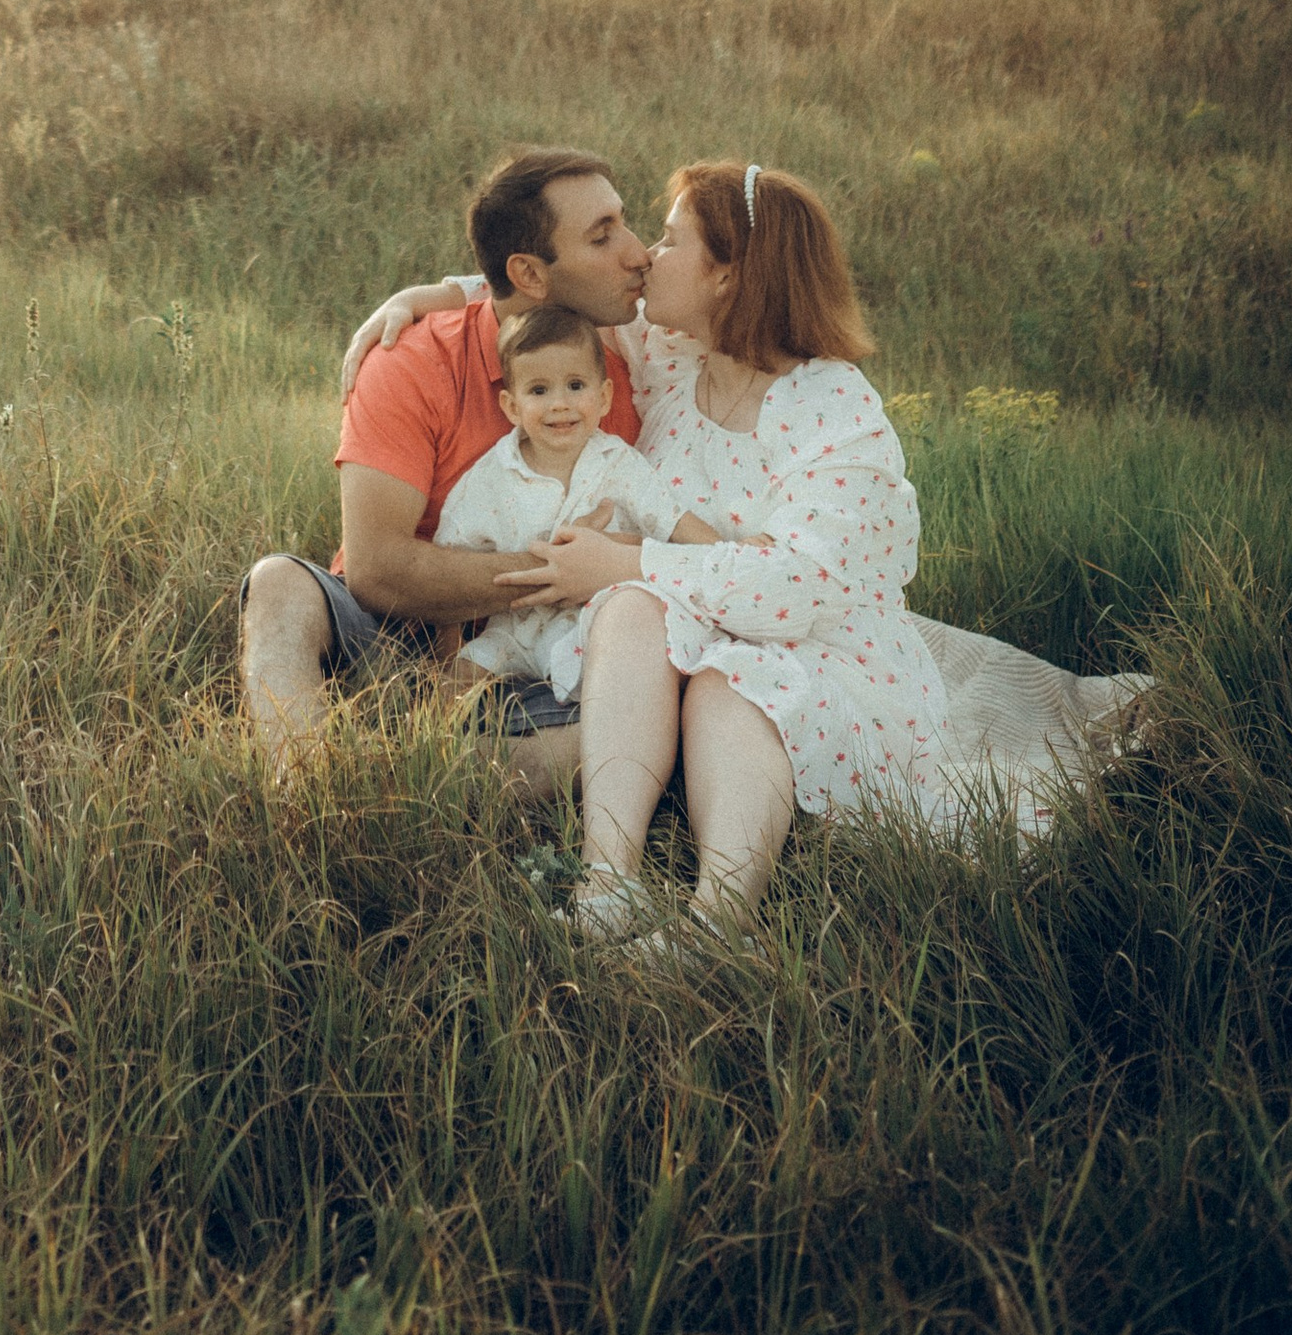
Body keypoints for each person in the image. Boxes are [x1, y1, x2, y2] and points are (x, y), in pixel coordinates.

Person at [359, 159, 950, 937]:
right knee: (631, 608)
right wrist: (429, 296)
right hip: (682, 636)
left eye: (670, 240)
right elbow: (543, 293)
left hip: (810, 650)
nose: (643, 255)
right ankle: (610, 882)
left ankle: (716, 924)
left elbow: (794, 589)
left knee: (724, 678)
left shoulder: (837, 412)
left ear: (727, 276)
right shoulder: (672, 354)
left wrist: (629, 561)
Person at [237, 144, 653, 782]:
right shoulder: (411, 360)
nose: (638, 252)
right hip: (389, 634)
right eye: (603, 236)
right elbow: (376, 570)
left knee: (630, 726)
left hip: (534, 660)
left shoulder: (614, 381)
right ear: (529, 274)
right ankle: (306, 781)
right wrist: (558, 570)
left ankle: (403, 775)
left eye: (625, 224)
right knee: (278, 585)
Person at [434, 301, 719, 719]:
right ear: (512, 407)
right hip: (513, 630)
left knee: (612, 691)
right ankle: (435, 743)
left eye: (575, 385)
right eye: (539, 391)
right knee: (453, 682)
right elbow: (451, 563)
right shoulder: (494, 474)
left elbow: (672, 519)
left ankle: (599, 728)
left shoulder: (617, 463)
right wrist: (448, 653)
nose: (559, 404)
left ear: (603, 397)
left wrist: (730, 552)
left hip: (586, 625)